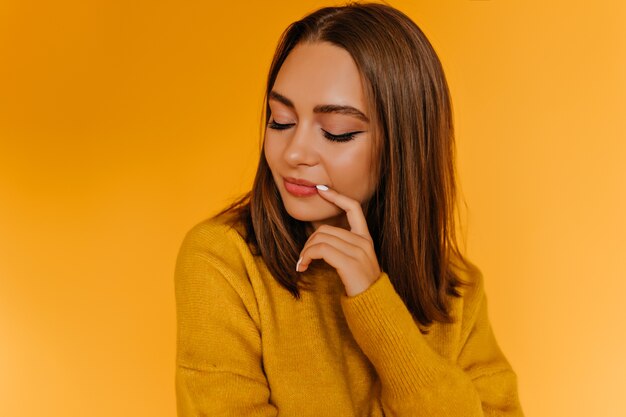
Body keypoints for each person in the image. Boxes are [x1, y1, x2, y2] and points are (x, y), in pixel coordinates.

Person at [174, 1, 525, 416]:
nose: (295, 152)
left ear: (403, 145)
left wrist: (375, 304)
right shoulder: (222, 261)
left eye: (336, 133)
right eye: (280, 120)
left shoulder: (455, 287)